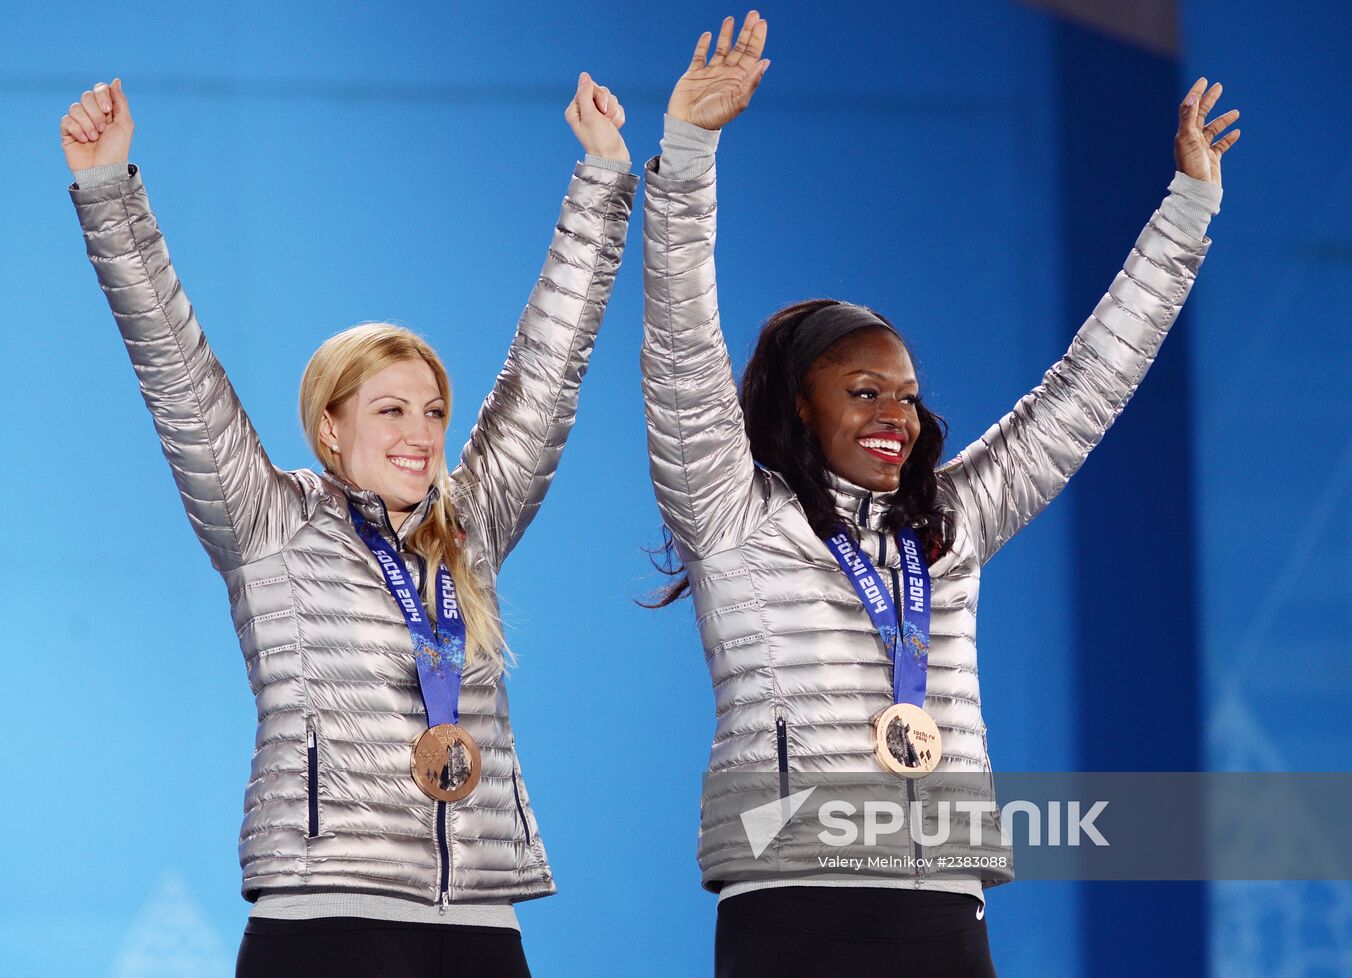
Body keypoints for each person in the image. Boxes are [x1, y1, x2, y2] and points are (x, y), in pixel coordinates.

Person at [640, 11, 1238, 976]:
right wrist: (688, 151)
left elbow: (1088, 388)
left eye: (908, 397)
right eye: (864, 391)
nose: (895, 416)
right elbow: (679, 348)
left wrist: (1186, 212)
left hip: (944, 911)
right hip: (793, 901)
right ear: (800, 403)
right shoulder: (733, 514)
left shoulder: (949, 527)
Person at [61, 73, 637, 977]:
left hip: (482, 927)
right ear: (330, 426)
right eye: (390, 411)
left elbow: (548, 371)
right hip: (325, 924)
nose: (419, 435)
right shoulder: (267, 522)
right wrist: (107, 191)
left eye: (434, 411)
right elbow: (174, 366)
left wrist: (602, 181)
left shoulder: (470, 526)